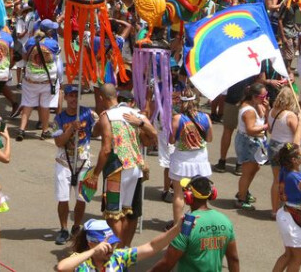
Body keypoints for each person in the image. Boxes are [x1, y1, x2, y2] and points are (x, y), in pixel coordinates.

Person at [90, 83, 156, 246]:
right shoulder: (134, 113)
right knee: (129, 213)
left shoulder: (107, 116)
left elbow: (106, 149)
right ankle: (125, 249)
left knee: (114, 215)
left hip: (116, 169)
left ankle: (118, 251)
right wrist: (140, 124)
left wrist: (95, 173)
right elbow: (153, 134)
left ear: (101, 98)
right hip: (135, 168)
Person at [147, 176, 239, 272]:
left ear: (188, 196)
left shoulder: (186, 225)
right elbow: (233, 259)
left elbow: (167, 264)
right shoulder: (225, 221)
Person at [52, 84, 99, 245]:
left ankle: (76, 227)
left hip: (83, 162)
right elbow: (59, 142)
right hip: (64, 162)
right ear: (65, 98)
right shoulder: (59, 119)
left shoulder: (88, 113)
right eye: (70, 96)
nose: (73, 99)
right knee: (63, 198)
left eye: (75, 95)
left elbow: (100, 129)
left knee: (81, 199)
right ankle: (64, 229)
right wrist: (71, 128)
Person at [55, 218, 179, 272]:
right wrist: (93, 252)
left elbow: (152, 247)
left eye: (113, 244)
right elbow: (61, 268)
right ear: (91, 243)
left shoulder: (119, 257)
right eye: (107, 245)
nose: (111, 249)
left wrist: (178, 228)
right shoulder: (79, 262)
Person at [168, 87, 214, 222]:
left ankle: (178, 226)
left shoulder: (177, 118)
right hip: (200, 159)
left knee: (178, 195)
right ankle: (199, 221)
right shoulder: (205, 117)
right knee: (201, 194)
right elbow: (210, 139)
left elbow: (171, 140)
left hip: (182, 159)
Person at [272, 144, 301, 272]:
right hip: (291, 218)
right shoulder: (295, 178)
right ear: (293, 160)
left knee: (289, 255)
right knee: (299, 257)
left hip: (286, 215)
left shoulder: (286, 170)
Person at [266, 88, 301, 213]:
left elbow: (270, 130)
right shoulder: (290, 115)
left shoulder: (272, 111)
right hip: (285, 148)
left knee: (276, 179)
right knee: (288, 178)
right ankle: (288, 206)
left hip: (273, 145)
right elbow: (299, 135)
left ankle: (274, 209)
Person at [234, 82, 269, 209]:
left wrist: (266, 109)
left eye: (266, 95)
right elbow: (250, 129)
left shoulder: (255, 105)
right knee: (247, 172)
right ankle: (241, 199)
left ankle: (244, 191)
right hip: (248, 142)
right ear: (254, 96)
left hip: (254, 142)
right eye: (263, 96)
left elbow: (264, 117)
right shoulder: (249, 111)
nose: (265, 98)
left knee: (255, 168)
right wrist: (265, 127)